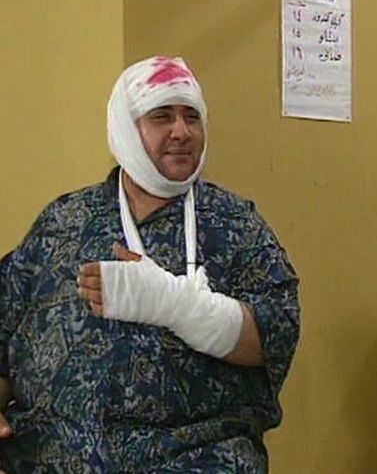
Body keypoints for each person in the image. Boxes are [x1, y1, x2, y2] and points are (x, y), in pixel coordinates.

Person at [0, 56, 300, 473]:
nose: (181, 131)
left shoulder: (235, 224)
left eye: (191, 117)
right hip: (49, 453)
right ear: (125, 128)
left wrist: (175, 304)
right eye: (162, 116)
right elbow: (6, 326)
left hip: (193, 455)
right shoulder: (64, 222)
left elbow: (274, 336)